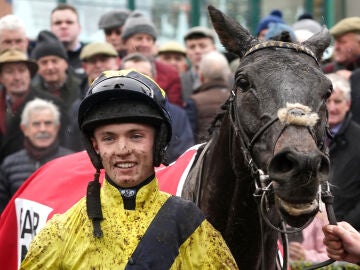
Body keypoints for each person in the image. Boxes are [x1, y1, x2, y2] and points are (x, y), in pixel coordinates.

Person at [20, 70, 238, 269]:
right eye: (109, 138)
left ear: (157, 141)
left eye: (136, 136)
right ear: (96, 147)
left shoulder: (191, 227)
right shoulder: (60, 232)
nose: (122, 150)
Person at [0, 98, 73, 213]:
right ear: (25, 129)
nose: (43, 129)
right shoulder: (9, 165)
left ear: (57, 128)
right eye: (36, 124)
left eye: (48, 123)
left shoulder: (71, 162)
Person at [121, 53, 195, 163]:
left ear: (154, 78)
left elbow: (183, 157)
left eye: (144, 75)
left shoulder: (177, 115)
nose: (137, 80)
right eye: (130, 76)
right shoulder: (108, 114)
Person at [0, 49, 70, 163]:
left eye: (22, 70)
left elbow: (65, 144)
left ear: (30, 74)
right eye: (9, 72)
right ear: (1, 77)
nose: (17, 77)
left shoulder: (52, 104)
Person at [66, 41, 120, 152]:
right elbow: (73, 144)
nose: (99, 65)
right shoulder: (78, 106)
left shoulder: (134, 95)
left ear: (117, 62)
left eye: (104, 59)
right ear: (84, 67)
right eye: (93, 61)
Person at [121, 11, 183, 107]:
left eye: (149, 39)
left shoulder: (170, 73)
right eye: (139, 38)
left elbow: (175, 111)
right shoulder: (113, 71)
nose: (145, 44)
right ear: (125, 42)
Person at [326, 73, 360, 230]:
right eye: (327, 101)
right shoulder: (305, 138)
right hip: (307, 236)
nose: (332, 108)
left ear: (348, 104)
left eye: (337, 101)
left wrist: (345, 226)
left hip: (347, 232)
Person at [30, 30, 82, 112]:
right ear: (37, 67)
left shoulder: (82, 87)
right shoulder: (31, 92)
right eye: (44, 62)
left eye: (54, 61)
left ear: (65, 63)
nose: (50, 67)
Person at [187, 50, 231, 143]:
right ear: (227, 76)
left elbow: (189, 136)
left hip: (203, 153)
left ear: (201, 76)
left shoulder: (194, 101)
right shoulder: (236, 99)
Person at [181, 26, 217, 100]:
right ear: (186, 52)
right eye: (192, 47)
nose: (197, 51)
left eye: (202, 46)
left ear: (214, 49)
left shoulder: (230, 80)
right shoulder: (179, 81)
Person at [50, 3, 86, 77]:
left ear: (79, 28)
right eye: (58, 23)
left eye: (69, 22)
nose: (63, 26)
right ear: (51, 29)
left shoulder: (90, 57)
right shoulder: (43, 58)